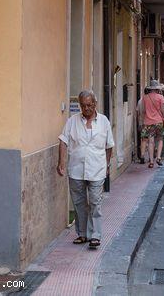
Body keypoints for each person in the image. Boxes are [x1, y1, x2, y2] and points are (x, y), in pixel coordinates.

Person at [57, 89, 114, 250]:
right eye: (83, 105)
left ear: (95, 104)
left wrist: (107, 164)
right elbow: (63, 140)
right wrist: (61, 162)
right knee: (79, 203)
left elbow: (109, 145)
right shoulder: (72, 121)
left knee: (95, 201)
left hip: (97, 169)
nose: (86, 108)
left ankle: (95, 235)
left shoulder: (104, 122)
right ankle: (82, 234)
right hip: (76, 168)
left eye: (89, 105)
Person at [138, 80, 164, 167]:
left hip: (148, 122)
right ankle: (158, 157)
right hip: (158, 121)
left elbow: (143, 111)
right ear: (157, 88)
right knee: (160, 139)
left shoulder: (145, 97)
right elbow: (162, 110)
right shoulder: (160, 97)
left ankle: (151, 162)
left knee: (150, 142)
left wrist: (142, 121)